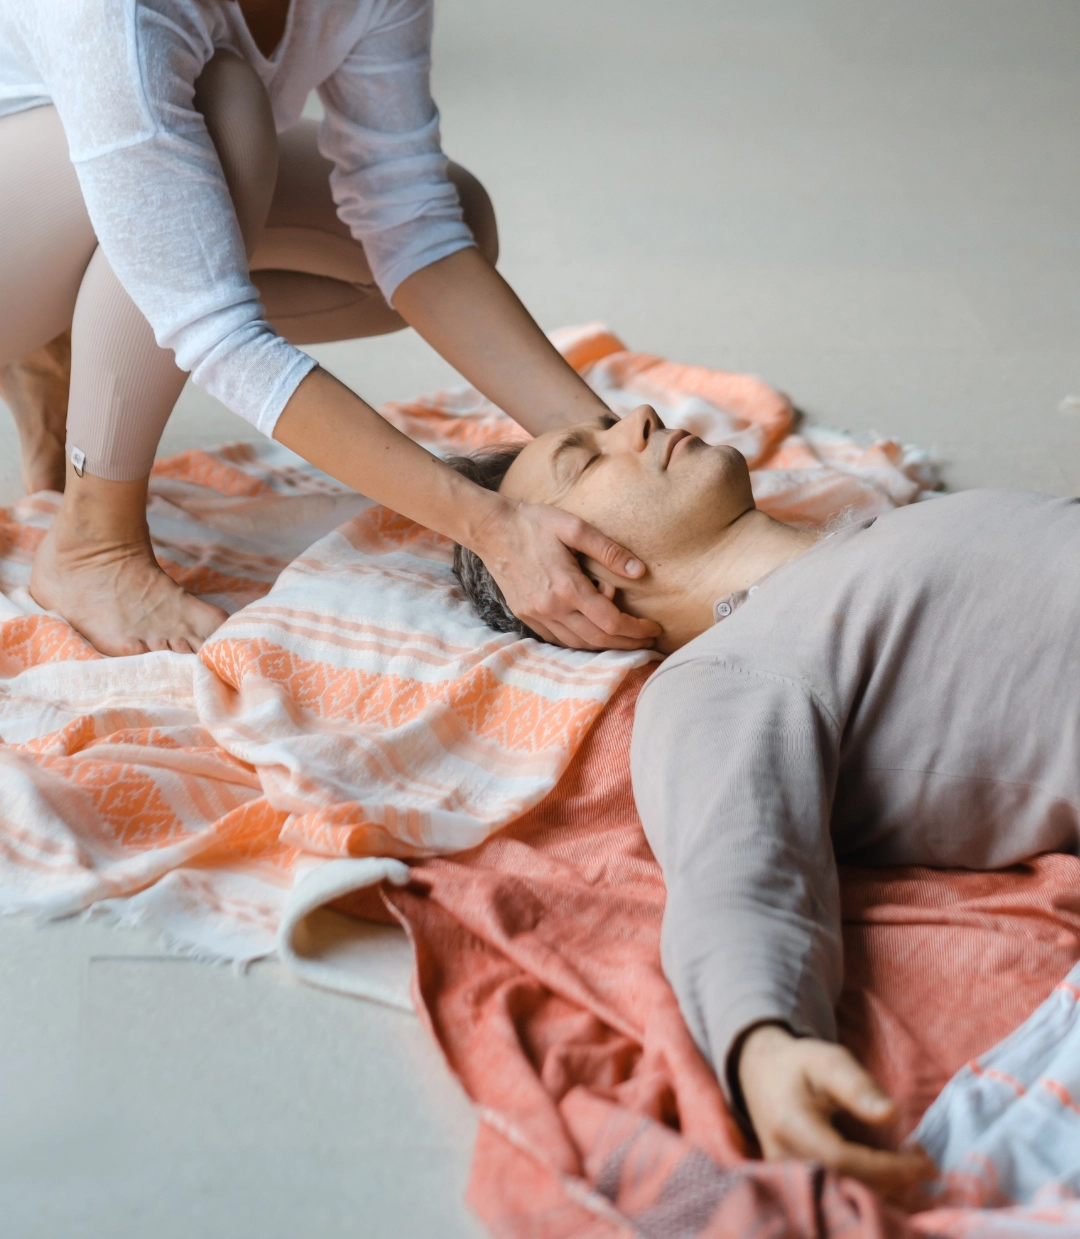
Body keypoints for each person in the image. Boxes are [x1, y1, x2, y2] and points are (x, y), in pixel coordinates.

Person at [447, 405, 1080, 1197]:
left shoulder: (861, 541)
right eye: (589, 460)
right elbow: (734, 867)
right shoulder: (725, 671)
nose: (638, 418)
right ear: (581, 582)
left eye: (609, 423)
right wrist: (763, 1042)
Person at [0, 0, 661, 656]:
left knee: (460, 211)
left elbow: (410, 219)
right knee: (224, 110)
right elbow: (212, 325)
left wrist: (614, 443)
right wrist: (491, 525)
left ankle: (68, 344)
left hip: (61, 188)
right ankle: (93, 542)